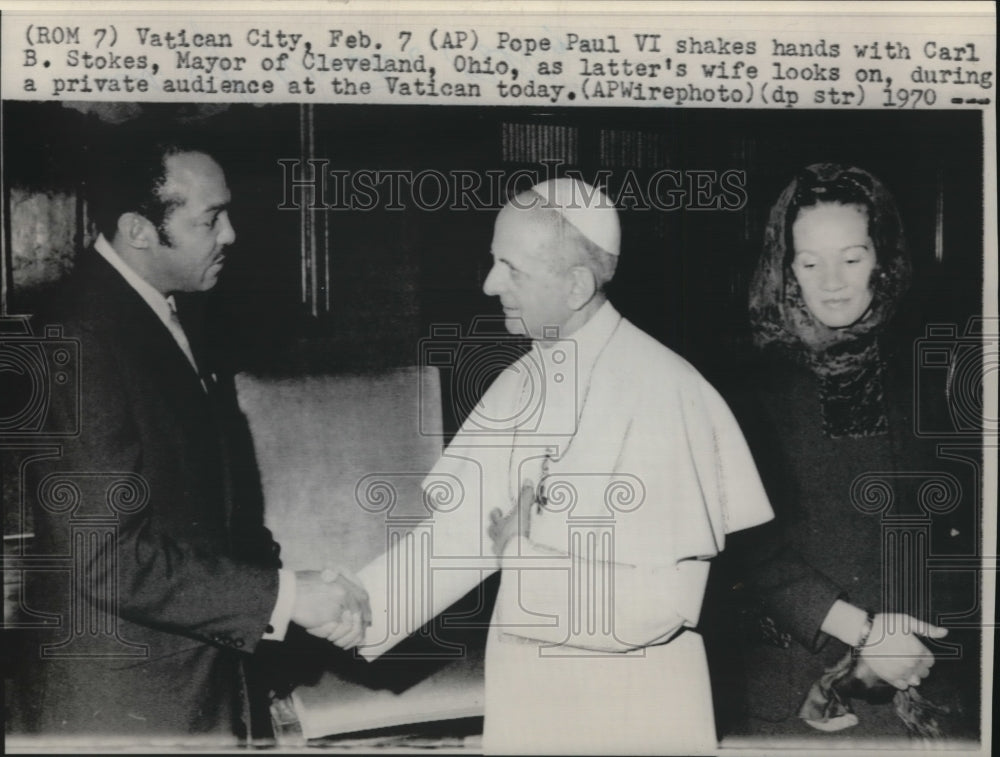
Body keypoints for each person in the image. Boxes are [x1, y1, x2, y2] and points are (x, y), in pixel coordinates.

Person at [336, 178, 775, 754]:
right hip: (531, 689)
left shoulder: (667, 392)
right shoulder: (519, 378)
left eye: (510, 268)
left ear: (576, 285)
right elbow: (463, 533)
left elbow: (659, 609)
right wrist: (355, 606)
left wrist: (521, 552)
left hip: (631, 706)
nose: (489, 284)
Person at [18, 132, 369, 744]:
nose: (230, 234)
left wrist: (289, 601)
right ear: (138, 229)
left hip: (194, 670)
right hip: (126, 695)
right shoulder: (75, 338)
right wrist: (284, 597)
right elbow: (107, 558)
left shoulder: (167, 310)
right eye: (210, 219)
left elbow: (216, 504)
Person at [715, 163, 980, 738]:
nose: (832, 281)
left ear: (882, 259)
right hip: (798, 688)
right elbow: (746, 545)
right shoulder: (749, 388)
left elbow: (963, 532)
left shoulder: (935, 372)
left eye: (852, 258)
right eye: (810, 263)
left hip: (924, 677)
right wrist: (862, 635)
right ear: (787, 270)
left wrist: (918, 643)